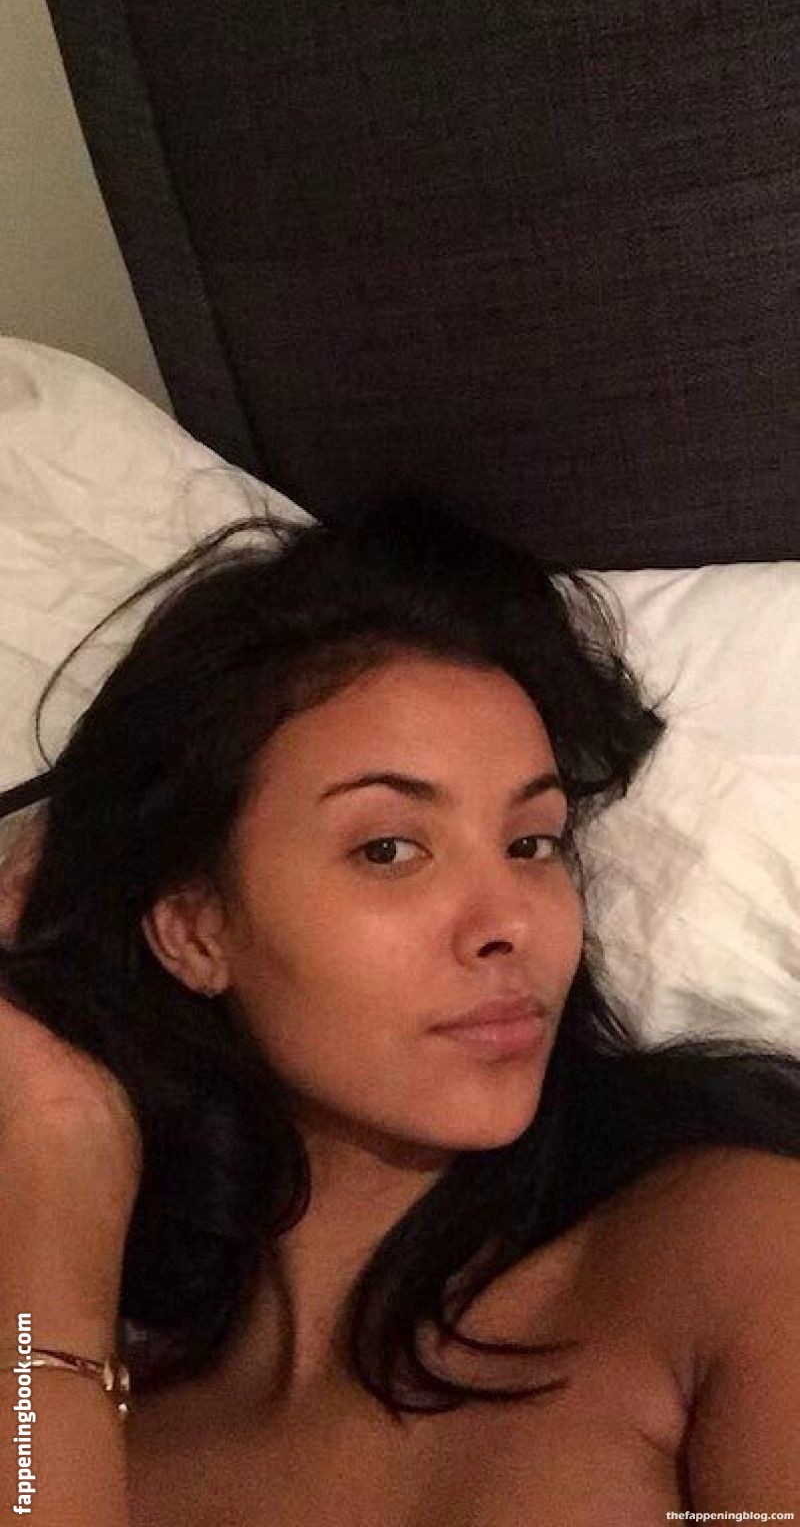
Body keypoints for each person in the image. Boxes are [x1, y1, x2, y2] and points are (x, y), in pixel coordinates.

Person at [0, 487, 798, 1525]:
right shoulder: (103, 1444)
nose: (507, 921)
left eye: (532, 843)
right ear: (194, 931)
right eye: (389, 849)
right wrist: (58, 1152)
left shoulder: (726, 1255)